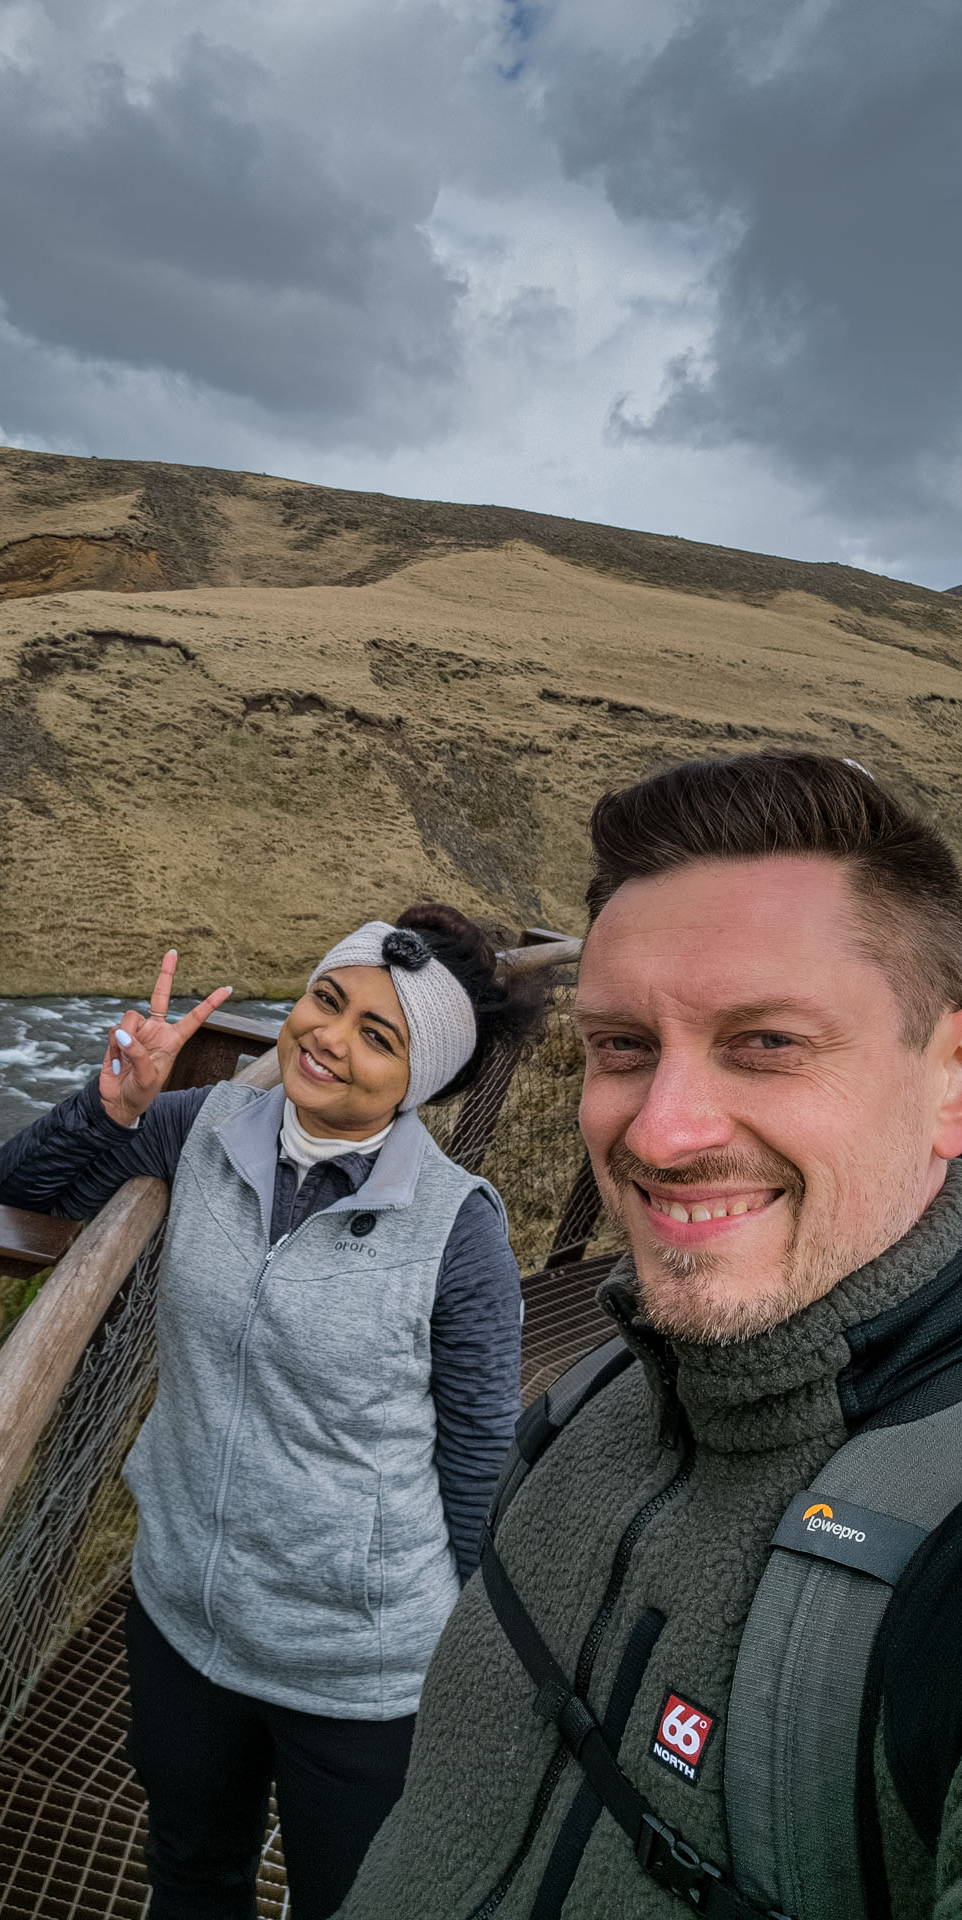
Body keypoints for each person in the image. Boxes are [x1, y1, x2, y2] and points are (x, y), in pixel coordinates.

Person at [336, 751, 962, 1920]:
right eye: (622, 1045)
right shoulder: (597, 1399)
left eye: (768, 1041)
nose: (663, 1134)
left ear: (952, 1080)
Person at [0, 905, 548, 1920]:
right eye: (328, 1000)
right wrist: (110, 1107)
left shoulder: (459, 1232)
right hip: (183, 1619)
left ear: (421, 1083)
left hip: (361, 1670)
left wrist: (456, 1651)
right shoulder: (201, 1131)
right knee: (193, 1875)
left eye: (381, 1036)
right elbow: (15, 1199)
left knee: (350, 1902)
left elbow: (475, 1451)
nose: (331, 1039)